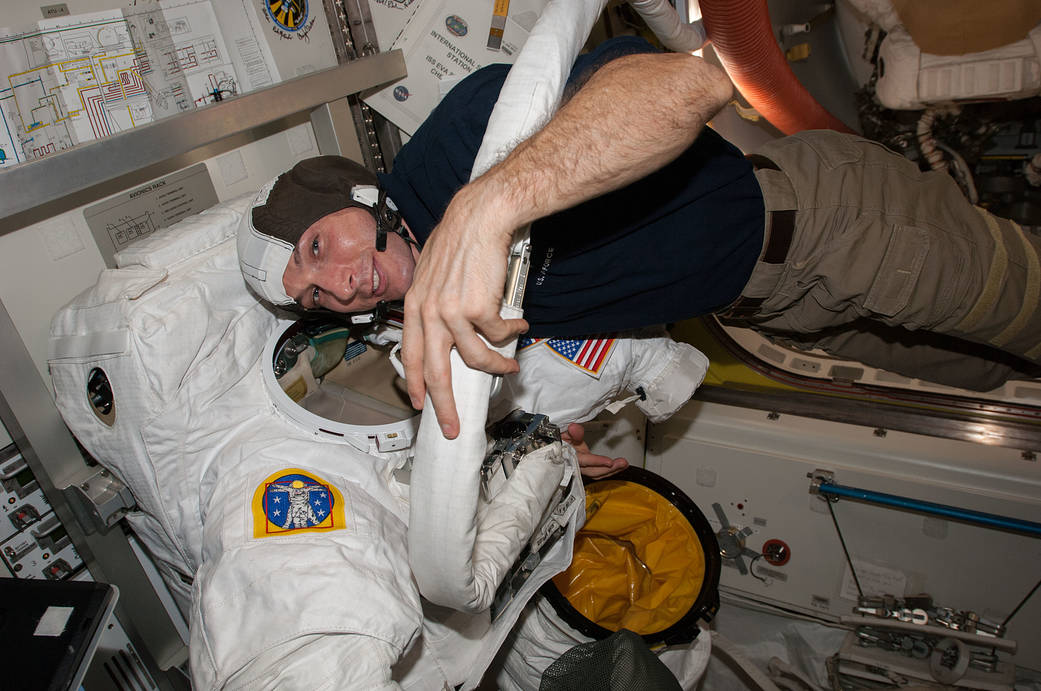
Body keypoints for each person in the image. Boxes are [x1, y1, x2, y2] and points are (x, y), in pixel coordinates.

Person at [238, 35, 1041, 443]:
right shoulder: (438, 305)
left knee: (1026, 309)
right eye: (315, 296)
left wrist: (486, 207)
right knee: (988, 371)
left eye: (318, 248)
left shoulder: (461, 147)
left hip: (837, 226)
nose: (340, 285)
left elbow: (688, 84)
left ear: (356, 193)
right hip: (771, 310)